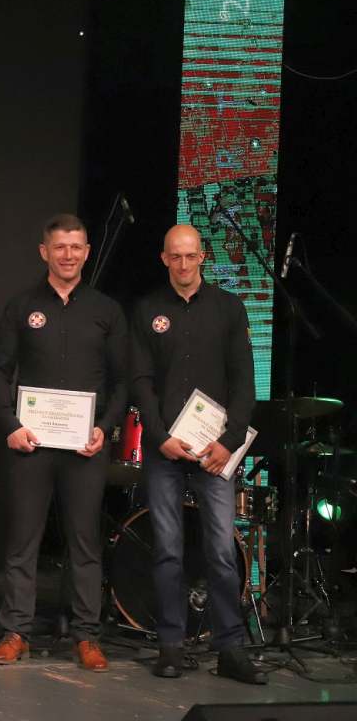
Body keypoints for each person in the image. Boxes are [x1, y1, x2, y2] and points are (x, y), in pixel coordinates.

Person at [0, 213, 126, 672]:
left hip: (86, 447)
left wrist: (105, 427)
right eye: (60, 247)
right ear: (44, 251)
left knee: (85, 543)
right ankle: (16, 632)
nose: (68, 255)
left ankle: (87, 636)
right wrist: (10, 424)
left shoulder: (106, 310)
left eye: (76, 247)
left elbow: (122, 381)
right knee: (22, 541)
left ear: (87, 252)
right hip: (32, 443)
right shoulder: (21, 306)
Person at [131, 224, 265, 684]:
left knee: (222, 551)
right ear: (164, 258)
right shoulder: (147, 310)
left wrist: (229, 442)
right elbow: (140, 381)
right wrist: (158, 435)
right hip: (166, 450)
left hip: (215, 451)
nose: (184, 264)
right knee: (167, 550)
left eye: (191, 256)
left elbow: (244, 382)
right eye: (176, 256)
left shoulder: (229, 307)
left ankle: (231, 649)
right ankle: (170, 646)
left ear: (203, 256)